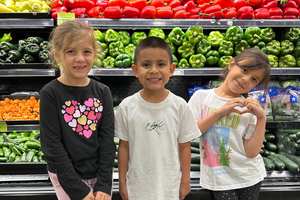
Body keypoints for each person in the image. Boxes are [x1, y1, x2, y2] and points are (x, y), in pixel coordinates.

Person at [114, 36, 201, 200]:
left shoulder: (180, 106)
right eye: (146, 64)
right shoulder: (126, 107)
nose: (153, 70)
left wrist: (185, 181)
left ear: (171, 69)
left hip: (170, 186)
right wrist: (122, 182)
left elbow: (185, 146)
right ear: (135, 70)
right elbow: (124, 147)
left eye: (161, 64)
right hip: (137, 187)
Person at [39, 20, 115, 200]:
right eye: (71, 51)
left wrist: (104, 184)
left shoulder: (103, 92)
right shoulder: (50, 93)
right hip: (66, 176)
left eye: (86, 51)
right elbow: (52, 145)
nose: (80, 58)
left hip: (100, 175)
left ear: (95, 54)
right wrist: (77, 189)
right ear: (57, 55)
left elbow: (107, 141)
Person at [188, 48, 271, 200]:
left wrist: (261, 119)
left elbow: (251, 152)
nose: (246, 79)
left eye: (254, 79)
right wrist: (219, 112)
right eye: (245, 70)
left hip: (249, 175)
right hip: (219, 177)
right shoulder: (201, 97)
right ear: (231, 64)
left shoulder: (249, 108)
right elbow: (191, 132)